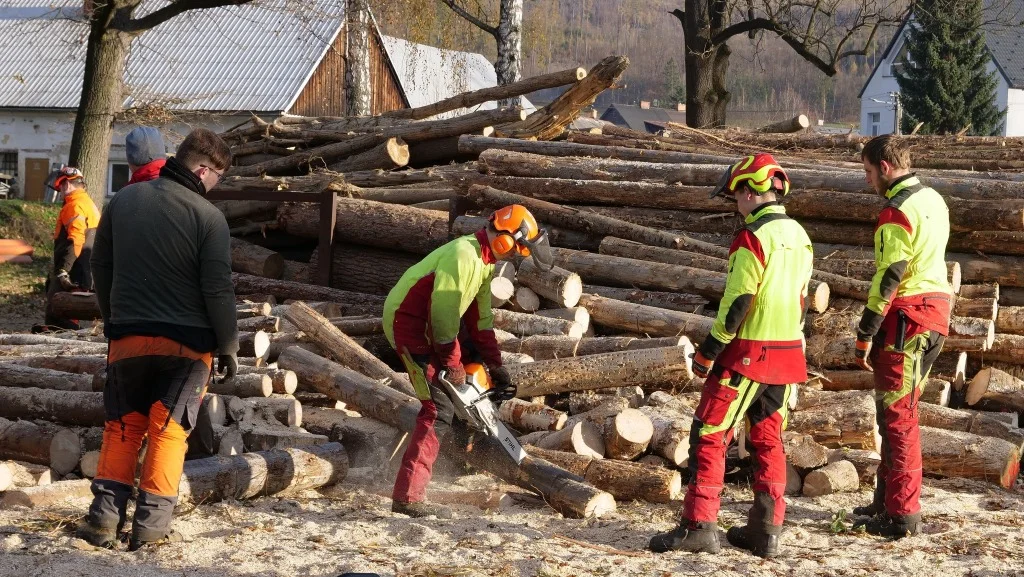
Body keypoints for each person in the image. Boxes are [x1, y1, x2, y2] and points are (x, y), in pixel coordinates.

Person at [76, 128, 238, 551]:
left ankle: (102, 524)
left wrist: (115, 320)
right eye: (218, 177)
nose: (215, 186)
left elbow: (101, 267)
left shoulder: (122, 202)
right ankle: (149, 531)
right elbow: (217, 289)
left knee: (122, 429)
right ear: (204, 169)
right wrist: (229, 345)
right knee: (167, 433)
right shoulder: (208, 218)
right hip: (187, 347)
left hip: (127, 338)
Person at [649, 153, 813, 558]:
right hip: (788, 353)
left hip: (747, 354)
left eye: (736, 197)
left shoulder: (753, 238)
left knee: (709, 433)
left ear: (749, 191)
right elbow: (802, 300)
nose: (735, 206)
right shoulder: (800, 235)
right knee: (768, 440)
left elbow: (738, 300)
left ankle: (699, 525)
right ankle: (766, 530)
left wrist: (709, 350)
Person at [383, 204, 552, 518]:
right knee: (438, 408)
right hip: (407, 324)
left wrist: (495, 365)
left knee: (467, 376)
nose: (517, 254)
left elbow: (481, 319)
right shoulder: (464, 256)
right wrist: (452, 362)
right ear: (503, 238)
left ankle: (460, 456)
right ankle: (407, 497)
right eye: (517, 247)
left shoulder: (486, 261)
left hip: (434, 326)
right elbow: (444, 315)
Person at [851, 134, 951, 538]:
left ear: (886, 168)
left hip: (907, 318)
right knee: (897, 412)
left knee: (897, 419)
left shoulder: (896, 211)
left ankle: (902, 515)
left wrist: (865, 331)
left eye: (869, 172)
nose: (867, 180)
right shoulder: (934, 199)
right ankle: (886, 501)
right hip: (935, 314)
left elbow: (889, 275)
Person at [42, 166, 100, 330]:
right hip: (84, 269)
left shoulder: (74, 206)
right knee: (70, 312)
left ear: (66, 184)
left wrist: (62, 270)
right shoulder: (88, 203)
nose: (60, 191)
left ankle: (61, 346)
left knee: (56, 311)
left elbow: (75, 239)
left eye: (60, 187)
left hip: (73, 270)